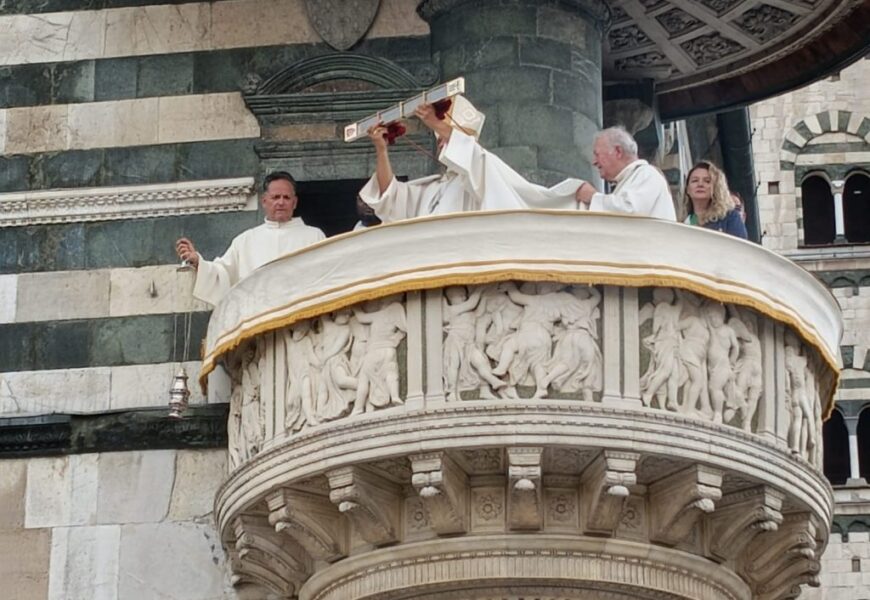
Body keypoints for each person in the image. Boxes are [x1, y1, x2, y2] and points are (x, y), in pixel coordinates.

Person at [359, 95, 581, 222]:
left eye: (449, 138)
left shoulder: (483, 174)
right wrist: (381, 149)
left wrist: (435, 123)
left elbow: (473, 156)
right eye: (441, 139)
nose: (444, 143)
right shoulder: (432, 189)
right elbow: (390, 196)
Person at [175, 171, 326, 306]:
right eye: (275, 197)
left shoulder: (313, 236)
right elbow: (223, 274)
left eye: (286, 197)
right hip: (257, 321)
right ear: (264, 201)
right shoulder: (245, 240)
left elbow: (327, 277)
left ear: (294, 202)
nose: (281, 202)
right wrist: (198, 263)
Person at [575, 126, 676, 220]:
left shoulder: (647, 174)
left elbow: (630, 212)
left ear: (618, 151)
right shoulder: (631, 178)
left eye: (597, 154)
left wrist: (593, 197)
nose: (594, 162)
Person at [681, 161, 747, 239]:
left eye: (707, 181)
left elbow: (740, 248)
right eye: (695, 181)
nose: (700, 184)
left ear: (716, 187)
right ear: (688, 189)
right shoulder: (684, 222)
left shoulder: (729, 218)